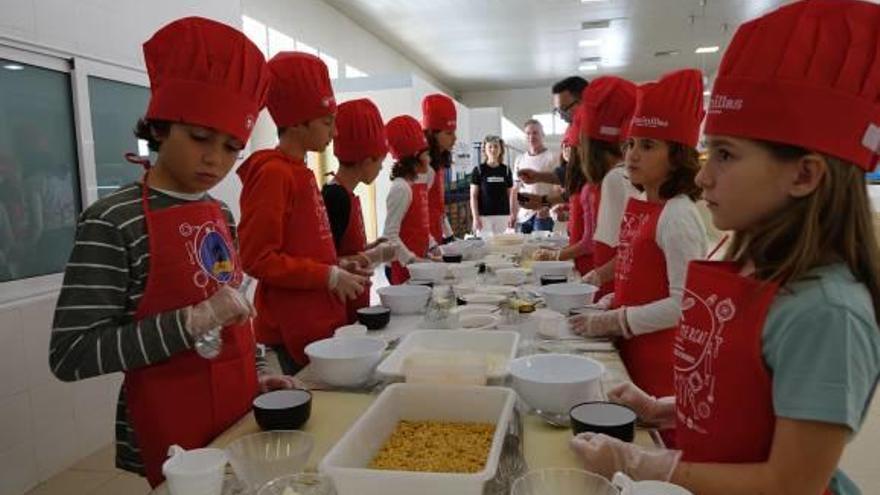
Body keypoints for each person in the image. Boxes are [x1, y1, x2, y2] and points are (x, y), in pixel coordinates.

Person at [571, 2, 880, 493]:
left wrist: (649, 465)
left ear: (805, 174)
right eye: (709, 151)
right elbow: (736, 399)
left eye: (726, 155)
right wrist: (662, 407)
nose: (706, 174)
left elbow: (790, 482)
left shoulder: (828, 312)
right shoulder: (751, 267)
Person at [49, 17, 296, 487]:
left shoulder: (221, 214)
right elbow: (70, 354)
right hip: (171, 433)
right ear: (160, 128)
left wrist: (257, 375)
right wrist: (189, 322)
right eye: (200, 138)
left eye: (232, 147)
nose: (215, 160)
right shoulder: (113, 221)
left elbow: (237, 312)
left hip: (239, 417)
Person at [569, 69, 707, 401]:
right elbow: (633, 268)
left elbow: (683, 304)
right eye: (630, 143)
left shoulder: (678, 216)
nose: (631, 154)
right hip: (635, 350)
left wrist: (617, 320)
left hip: (661, 362)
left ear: (676, 157)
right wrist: (608, 302)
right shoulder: (643, 202)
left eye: (647, 146)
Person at [238, 52, 368, 375]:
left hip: (318, 316)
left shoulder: (302, 172)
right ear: (297, 123)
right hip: (291, 324)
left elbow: (301, 248)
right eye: (327, 122)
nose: (335, 133)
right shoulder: (273, 174)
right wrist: (327, 275)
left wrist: (336, 264)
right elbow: (258, 258)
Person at [535, 77, 637, 280]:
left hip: (603, 276)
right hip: (600, 275)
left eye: (576, 148)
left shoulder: (614, 179)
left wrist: (558, 256)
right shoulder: (606, 179)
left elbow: (622, 251)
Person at [321, 98, 398, 322]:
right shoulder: (335, 197)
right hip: (339, 308)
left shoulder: (348, 194)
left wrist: (369, 247)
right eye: (380, 161)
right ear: (366, 160)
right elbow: (326, 263)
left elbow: (345, 250)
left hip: (356, 301)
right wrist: (373, 255)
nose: (382, 167)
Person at [533, 113, 593, 274]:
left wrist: (555, 254)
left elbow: (589, 242)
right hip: (581, 264)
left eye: (570, 145)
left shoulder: (593, 185)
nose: (566, 149)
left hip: (591, 267)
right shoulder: (578, 181)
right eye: (564, 145)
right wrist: (568, 214)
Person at [383, 115, 435, 284]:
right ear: (415, 157)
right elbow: (390, 234)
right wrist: (412, 260)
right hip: (403, 267)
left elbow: (421, 225)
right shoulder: (401, 188)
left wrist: (433, 246)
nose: (430, 159)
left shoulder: (416, 183)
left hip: (418, 262)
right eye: (427, 154)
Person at [511, 119, 559, 233]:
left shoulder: (553, 158)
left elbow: (557, 188)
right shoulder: (520, 159)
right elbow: (515, 189)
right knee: (522, 249)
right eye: (528, 133)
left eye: (535, 133)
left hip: (542, 215)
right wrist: (513, 213)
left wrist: (547, 207)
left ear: (543, 135)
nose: (531, 136)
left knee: (539, 249)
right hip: (522, 216)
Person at [422, 93, 457, 243]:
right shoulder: (424, 168)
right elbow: (416, 214)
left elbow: (439, 209)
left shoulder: (439, 164)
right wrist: (432, 245)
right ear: (431, 134)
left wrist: (449, 237)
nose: (454, 138)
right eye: (448, 133)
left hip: (434, 239)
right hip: (421, 242)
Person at [470, 135, 514, 237]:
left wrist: (512, 215)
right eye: (490, 147)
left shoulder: (506, 170)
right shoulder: (478, 170)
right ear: (485, 150)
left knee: (501, 247)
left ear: (500, 150)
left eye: (496, 146)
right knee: (485, 248)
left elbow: (511, 195)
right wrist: (475, 218)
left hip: (503, 216)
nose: (493, 149)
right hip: (484, 217)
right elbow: (473, 196)